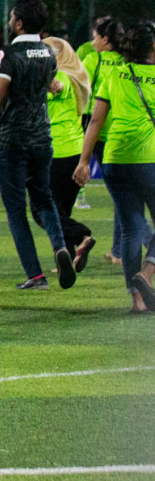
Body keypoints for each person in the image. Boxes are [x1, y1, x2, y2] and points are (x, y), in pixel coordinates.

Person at [0, 0, 76, 291]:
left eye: (11, 16)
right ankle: (59, 246)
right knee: (44, 200)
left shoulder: (8, 54)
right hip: (42, 139)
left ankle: (36, 275)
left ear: (18, 23)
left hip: (13, 140)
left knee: (16, 211)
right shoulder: (48, 53)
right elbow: (48, 84)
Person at [75, 20, 155, 313]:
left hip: (114, 160)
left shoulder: (114, 73)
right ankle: (146, 274)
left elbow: (95, 121)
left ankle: (137, 301)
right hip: (149, 158)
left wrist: (84, 162)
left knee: (132, 229)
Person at [41, 36, 95, 270]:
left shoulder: (60, 76)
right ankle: (69, 255)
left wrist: (51, 84)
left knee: (41, 209)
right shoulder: (78, 77)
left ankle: (81, 236)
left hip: (57, 152)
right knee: (62, 208)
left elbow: (58, 87)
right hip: (76, 152)